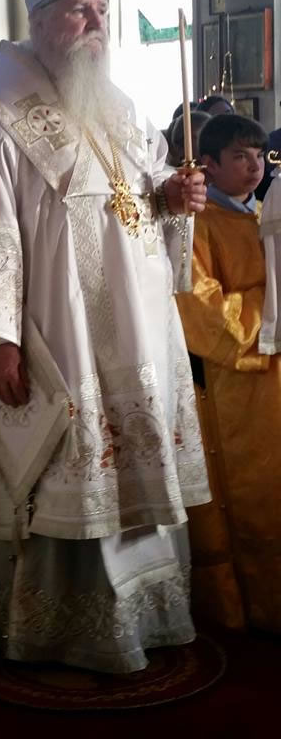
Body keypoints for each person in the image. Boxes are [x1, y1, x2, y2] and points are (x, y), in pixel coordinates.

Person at [0, 0, 210, 674]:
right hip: (61, 332)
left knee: (137, 476)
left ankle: (150, 618)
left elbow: (147, 192)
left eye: (101, 9)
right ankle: (56, 629)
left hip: (138, 329)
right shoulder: (0, 121)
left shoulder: (121, 106)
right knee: (67, 475)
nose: (95, 22)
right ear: (40, 19)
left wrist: (174, 197)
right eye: (78, 10)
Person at [175, 114, 281, 632]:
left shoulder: (265, 213)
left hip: (273, 377)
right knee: (249, 491)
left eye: (259, 155)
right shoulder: (197, 225)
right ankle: (251, 605)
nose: (254, 166)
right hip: (233, 383)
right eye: (240, 156)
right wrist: (272, 307)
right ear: (209, 165)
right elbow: (200, 310)